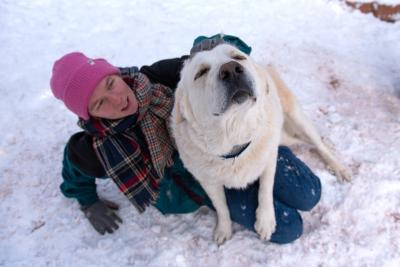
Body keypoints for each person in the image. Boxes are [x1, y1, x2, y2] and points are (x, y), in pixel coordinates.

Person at [50, 34, 321, 244]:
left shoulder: (158, 78)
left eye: (111, 84)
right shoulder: (102, 148)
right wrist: (87, 202)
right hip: (206, 187)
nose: (117, 100)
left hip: (242, 145)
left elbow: (209, 61)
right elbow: (74, 162)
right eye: (100, 104)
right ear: (91, 117)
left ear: (115, 74)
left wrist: (212, 45)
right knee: (288, 228)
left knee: (308, 192)